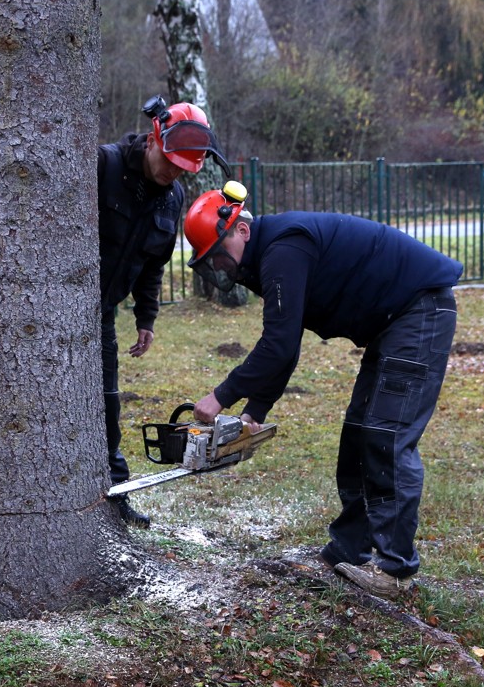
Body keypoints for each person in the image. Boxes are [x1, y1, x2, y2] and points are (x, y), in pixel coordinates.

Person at [184, 182, 462, 599]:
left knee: (385, 436)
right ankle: (348, 549)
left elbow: (277, 345)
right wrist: (255, 408)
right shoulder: (267, 258)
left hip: (418, 311)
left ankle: (395, 570)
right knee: (358, 432)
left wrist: (222, 396)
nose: (221, 267)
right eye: (212, 262)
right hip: (392, 322)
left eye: (220, 254)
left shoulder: (283, 248)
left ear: (241, 229)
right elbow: (287, 342)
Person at [97, 95, 225, 526]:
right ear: (154, 138)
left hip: (104, 313)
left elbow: (154, 263)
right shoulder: (105, 166)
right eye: (170, 163)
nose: (172, 173)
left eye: (182, 169)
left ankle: (113, 494)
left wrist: (146, 318)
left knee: (108, 402)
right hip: (64, 306)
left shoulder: (172, 198)